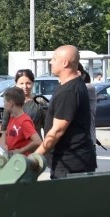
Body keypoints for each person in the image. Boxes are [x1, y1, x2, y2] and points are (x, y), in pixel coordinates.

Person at [33, 45, 96, 178]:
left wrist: (34, 157)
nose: (50, 62)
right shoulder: (70, 85)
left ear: (65, 63)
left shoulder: (69, 91)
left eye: (54, 59)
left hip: (71, 163)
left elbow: (57, 131)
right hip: (69, 161)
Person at [0, 69, 45, 141]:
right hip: (14, 145)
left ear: (33, 83)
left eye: (28, 83)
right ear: (16, 83)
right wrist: (2, 145)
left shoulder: (39, 102)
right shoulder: (10, 102)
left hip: (34, 146)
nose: (25, 86)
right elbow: (3, 127)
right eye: (21, 83)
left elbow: (47, 127)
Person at [1, 87, 42, 156]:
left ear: (10, 103)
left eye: (4, 102)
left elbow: (38, 141)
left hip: (20, 161)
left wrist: (20, 151)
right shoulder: (12, 118)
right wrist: (3, 144)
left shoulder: (24, 121)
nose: (4, 105)